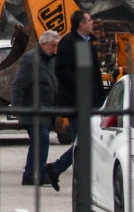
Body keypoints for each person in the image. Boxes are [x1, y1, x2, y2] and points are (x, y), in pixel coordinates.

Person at [45, 10, 106, 191]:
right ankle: (64, 171)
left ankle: (56, 168)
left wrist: (101, 98)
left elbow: (94, 74)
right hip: (75, 102)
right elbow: (62, 70)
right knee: (84, 142)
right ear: (81, 24)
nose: (93, 22)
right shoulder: (69, 42)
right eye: (89, 20)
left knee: (86, 141)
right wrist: (80, 86)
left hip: (91, 102)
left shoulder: (88, 43)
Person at [11, 30, 61, 187]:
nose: (55, 49)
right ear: (43, 44)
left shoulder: (50, 60)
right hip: (33, 108)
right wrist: (16, 107)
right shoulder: (31, 59)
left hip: (47, 109)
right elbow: (19, 85)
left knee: (39, 142)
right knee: (42, 139)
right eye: (53, 45)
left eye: (57, 46)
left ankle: (32, 174)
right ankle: (37, 174)